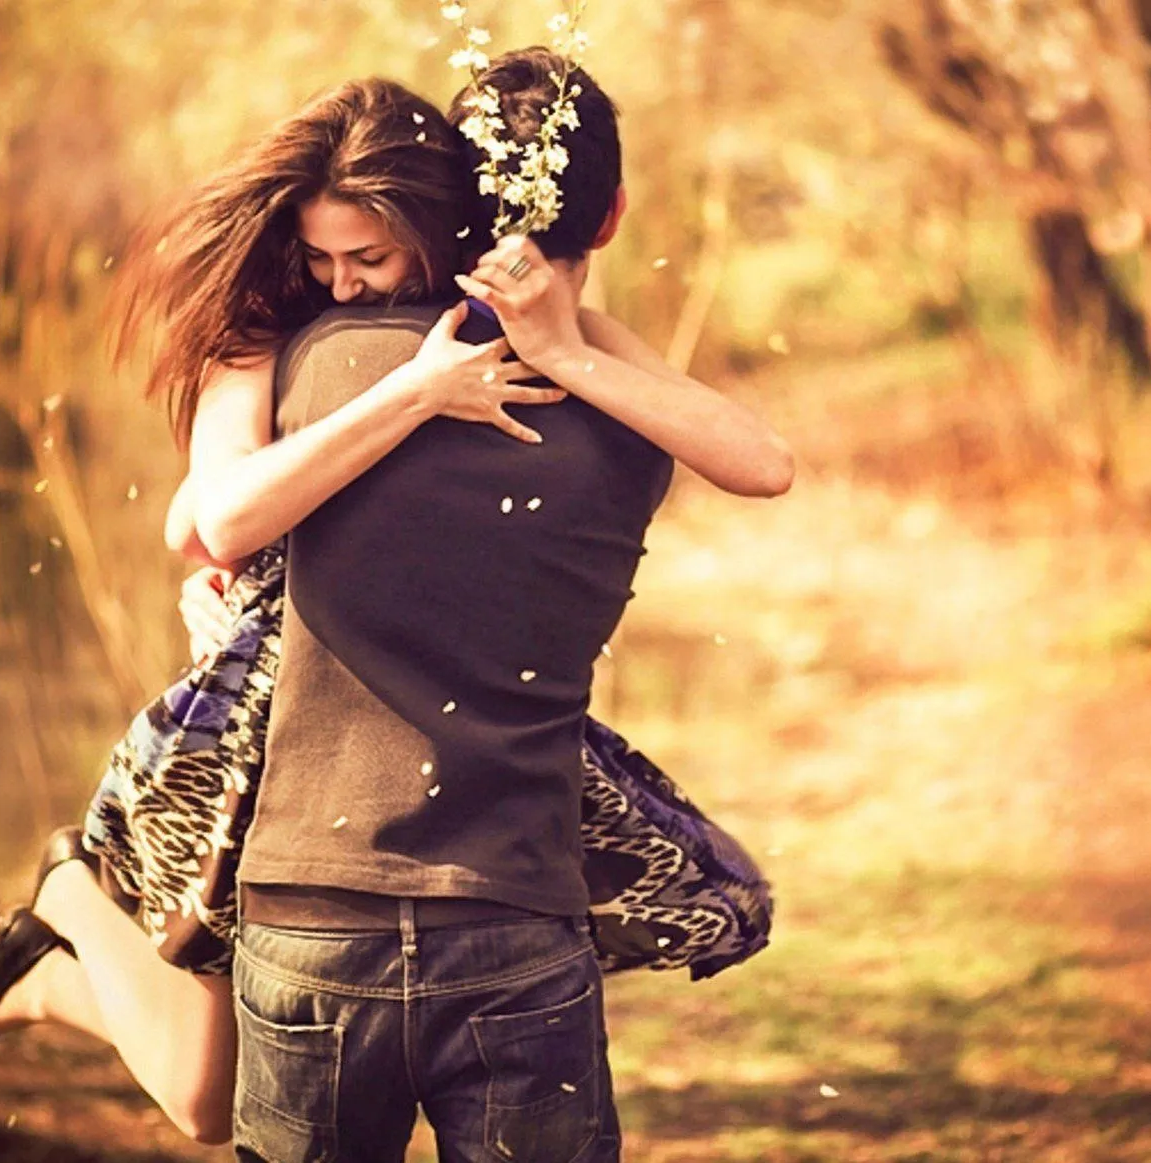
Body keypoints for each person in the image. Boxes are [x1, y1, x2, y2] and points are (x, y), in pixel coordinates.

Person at [0, 64, 788, 1155]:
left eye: (370, 257)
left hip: (364, 827)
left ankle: (54, 963)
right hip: (254, 758)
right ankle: (69, 910)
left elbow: (755, 457)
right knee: (208, 1090)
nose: (342, 284)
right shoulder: (265, 332)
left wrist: (559, 351)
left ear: (436, 232)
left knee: (207, 1094)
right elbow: (202, 524)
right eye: (321, 257)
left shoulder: (536, 346)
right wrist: (410, 399)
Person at [224, 49, 786, 1162]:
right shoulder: (633, 425)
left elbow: (213, 526)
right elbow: (761, 460)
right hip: (511, 909)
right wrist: (570, 351)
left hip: (307, 903)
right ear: (615, 213)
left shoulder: (320, 361)